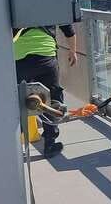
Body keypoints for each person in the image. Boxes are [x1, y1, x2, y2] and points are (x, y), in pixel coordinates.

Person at [13, 24, 78, 158]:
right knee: (51, 99)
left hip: (19, 58)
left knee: (17, 102)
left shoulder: (16, 6)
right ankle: (50, 143)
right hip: (46, 57)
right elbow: (68, 30)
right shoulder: (49, 6)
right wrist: (73, 51)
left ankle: (13, 146)